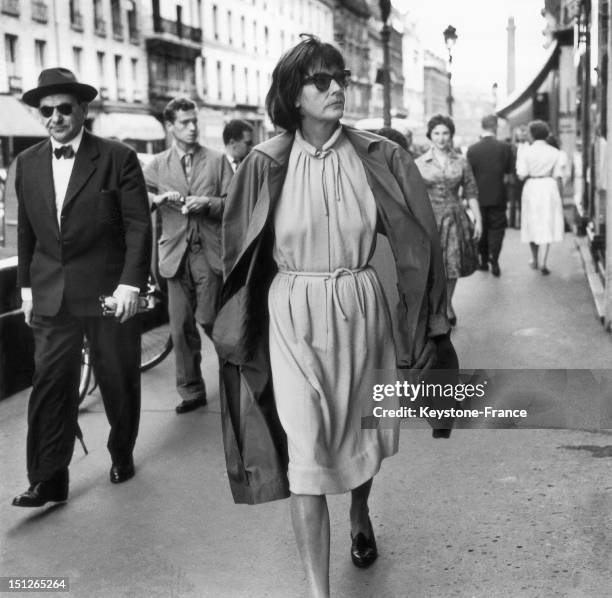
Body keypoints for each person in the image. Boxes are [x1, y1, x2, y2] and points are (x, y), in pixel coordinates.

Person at [214, 36, 454, 598]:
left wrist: (428, 324)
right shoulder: (265, 163)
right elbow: (236, 252)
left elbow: (420, 245)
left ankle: (360, 512)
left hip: (360, 309)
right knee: (307, 453)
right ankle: (318, 591)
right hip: (292, 315)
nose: (336, 89)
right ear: (294, 96)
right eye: (321, 81)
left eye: (340, 78)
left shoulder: (380, 156)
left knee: (360, 432)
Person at [13, 68, 151, 507]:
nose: (55, 117)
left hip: (108, 293)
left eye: (64, 108)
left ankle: (121, 451)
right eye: (46, 110)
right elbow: (26, 234)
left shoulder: (117, 157)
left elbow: (137, 227)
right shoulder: (29, 163)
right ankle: (48, 478)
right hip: (52, 293)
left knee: (116, 376)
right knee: (50, 382)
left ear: (83, 110)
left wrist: (132, 283)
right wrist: (26, 291)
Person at [143, 97, 232, 414]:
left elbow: (231, 203)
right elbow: (139, 201)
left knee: (211, 320)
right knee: (180, 327)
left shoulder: (217, 160)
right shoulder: (157, 164)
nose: (193, 127)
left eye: (194, 121)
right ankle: (191, 391)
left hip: (208, 252)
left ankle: (238, 375)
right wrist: (158, 197)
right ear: (170, 126)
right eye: (185, 122)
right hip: (174, 255)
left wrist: (206, 203)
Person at [415, 114, 481, 326]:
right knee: (434, 266)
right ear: (430, 136)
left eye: (445, 133)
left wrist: (478, 220)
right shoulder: (419, 163)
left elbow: (471, 191)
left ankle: (447, 304)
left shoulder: (461, 161)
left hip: (454, 217)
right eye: (437, 133)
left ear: (451, 135)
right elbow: (414, 195)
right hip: (429, 218)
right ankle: (437, 305)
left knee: (452, 263)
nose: (441, 138)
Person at [467, 114, 514, 276]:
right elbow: (509, 173)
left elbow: (469, 175)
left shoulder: (472, 149)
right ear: (495, 126)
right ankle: (494, 257)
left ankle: (484, 259)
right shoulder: (505, 148)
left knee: (481, 228)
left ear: (482, 126)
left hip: (478, 196)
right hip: (498, 194)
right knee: (497, 228)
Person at [517, 120, 565, 275]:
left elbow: (521, 175)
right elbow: (559, 176)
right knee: (547, 221)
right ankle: (544, 261)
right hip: (549, 187)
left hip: (532, 186)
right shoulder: (556, 152)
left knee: (531, 222)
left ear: (532, 134)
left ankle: (534, 258)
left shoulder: (526, 152)